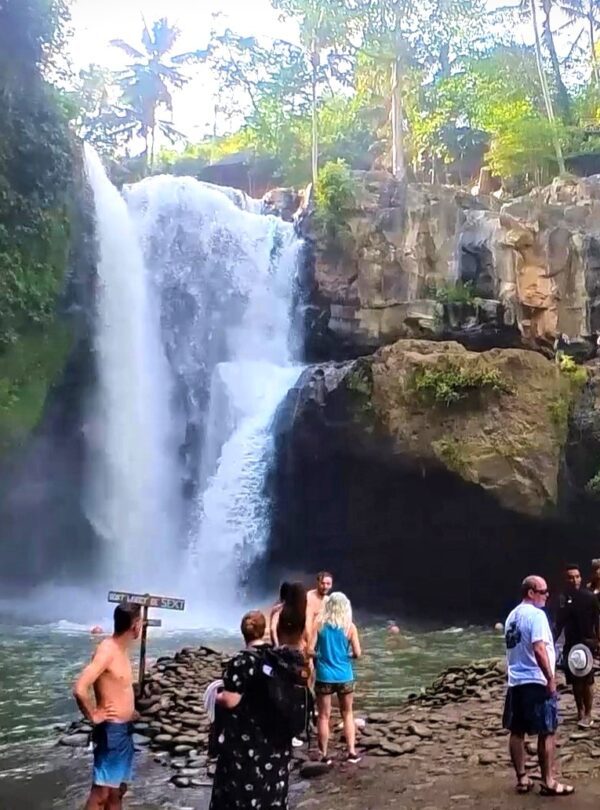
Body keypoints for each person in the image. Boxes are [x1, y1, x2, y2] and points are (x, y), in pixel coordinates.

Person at [209, 609, 306, 810]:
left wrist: (215, 695)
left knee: (243, 791)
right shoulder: (278, 658)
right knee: (272, 790)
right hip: (277, 739)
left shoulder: (241, 662)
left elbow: (230, 701)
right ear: (264, 631)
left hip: (248, 742)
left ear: (243, 633)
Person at [503, 575, 573, 797]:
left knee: (517, 731)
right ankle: (549, 781)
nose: (547, 595)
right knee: (547, 731)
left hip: (516, 681)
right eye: (543, 591)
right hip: (536, 680)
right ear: (531, 593)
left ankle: (522, 778)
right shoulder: (537, 615)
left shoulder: (511, 616)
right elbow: (539, 648)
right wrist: (550, 678)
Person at [73, 602, 142, 810]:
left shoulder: (121, 649)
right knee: (101, 793)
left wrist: (131, 711)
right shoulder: (107, 650)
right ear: (135, 625)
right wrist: (93, 715)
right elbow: (80, 688)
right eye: (142, 622)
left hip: (124, 729)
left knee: (117, 791)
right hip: (112, 731)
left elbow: (117, 687)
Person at [311, 592, 362, 765]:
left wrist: (321, 655)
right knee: (347, 713)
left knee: (324, 716)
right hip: (345, 675)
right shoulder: (350, 627)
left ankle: (324, 754)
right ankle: (352, 752)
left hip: (324, 676)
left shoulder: (319, 625)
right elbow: (357, 653)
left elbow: (309, 650)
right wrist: (345, 655)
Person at [554, 563, 600, 727]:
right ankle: (579, 710)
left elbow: (597, 621)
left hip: (587, 643)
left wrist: (598, 642)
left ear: (581, 578)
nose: (574, 580)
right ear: (565, 580)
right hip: (570, 644)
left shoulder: (590, 597)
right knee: (574, 680)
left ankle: (588, 713)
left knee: (587, 680)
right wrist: (550, 643)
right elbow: (558, 624)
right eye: (571, 577)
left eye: (577, 576)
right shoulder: (562, 599)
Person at [306, 571, 333, 637]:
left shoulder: (328, 601)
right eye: (322, 583)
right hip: (307, 639)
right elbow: (308, 622)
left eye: (328, 584)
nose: (325, 586)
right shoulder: (309, 597)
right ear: (317, 583)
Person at [269, 581, 291, 647]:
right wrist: (277, 645)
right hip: (281, 645)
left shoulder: (278, 605)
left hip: (280, 645)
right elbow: (273, 628)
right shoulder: (280, 607)